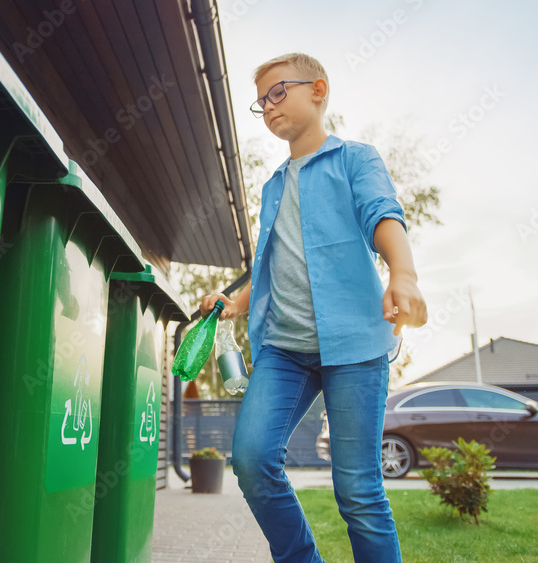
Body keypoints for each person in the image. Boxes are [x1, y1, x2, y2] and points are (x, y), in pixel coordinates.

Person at [199, 53, 427, 563]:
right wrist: (233, 304)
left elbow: (383, 215)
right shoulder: (273, 185)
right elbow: (270, 262)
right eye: (261, 101)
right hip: (285, 350)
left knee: (359, 492)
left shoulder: (355, 159)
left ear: (318, 90)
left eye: (278, 91)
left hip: (354, 346)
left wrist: (403, 275)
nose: (269, 105)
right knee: (253, 460)